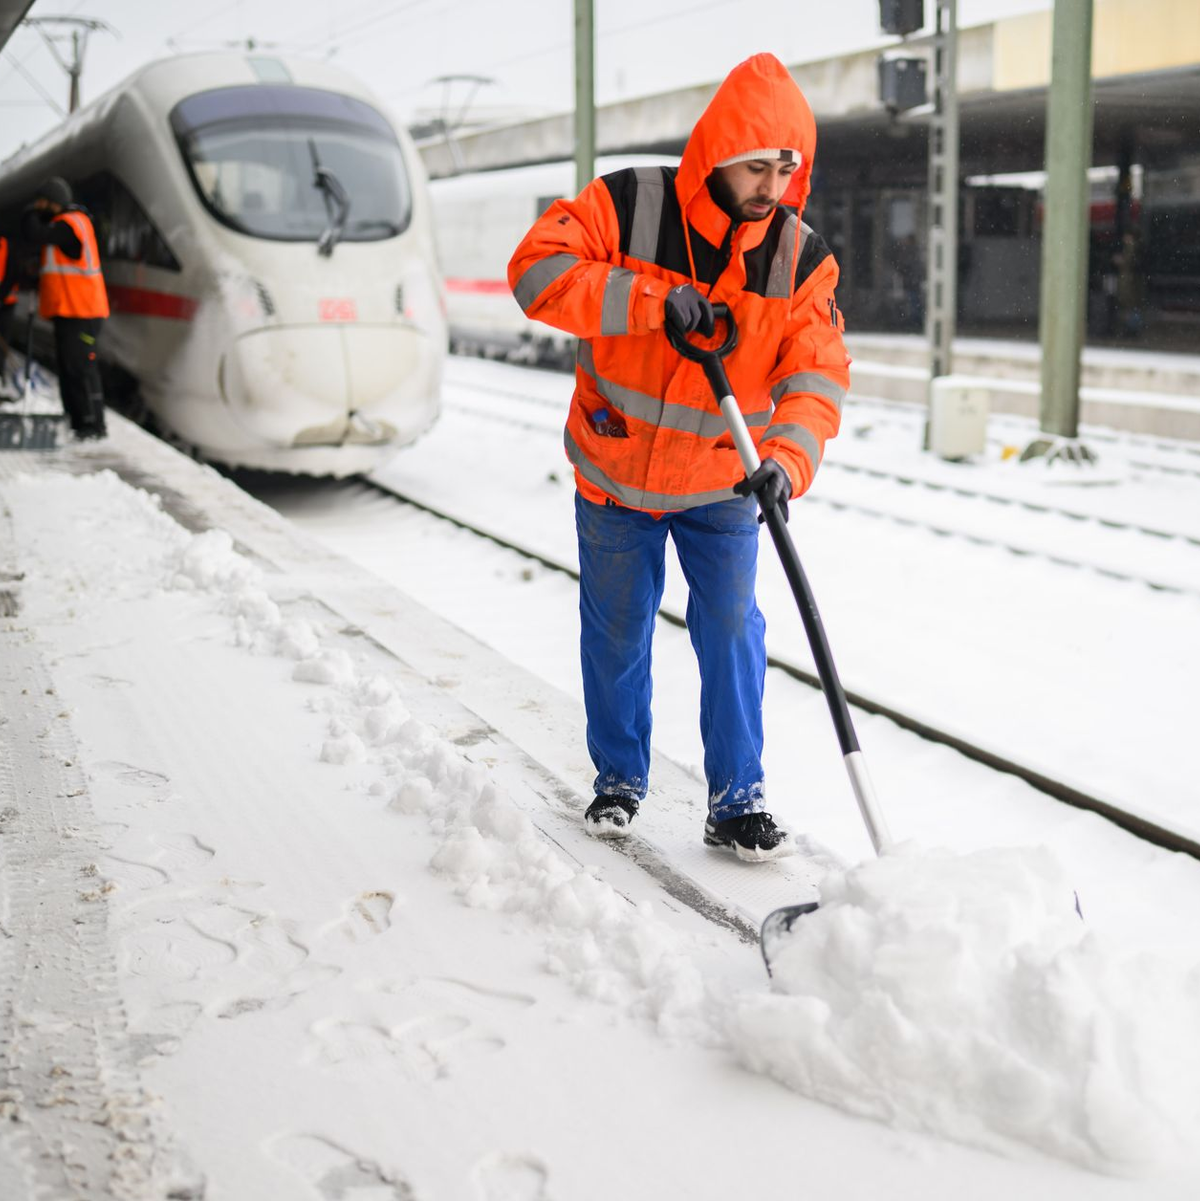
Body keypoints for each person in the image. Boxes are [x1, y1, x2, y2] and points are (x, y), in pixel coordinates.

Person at [507, 53, 849, 862]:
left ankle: (738, 798)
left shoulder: (800, 259)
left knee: (731, 629)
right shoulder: (629, 205)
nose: (771, 185)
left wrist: (785, 465)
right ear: (717, 154)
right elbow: (536, 271)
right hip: (617, 473)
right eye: (755, 165)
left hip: (727, 481)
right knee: (618, 629)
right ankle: (619, 779)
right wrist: (651, 300)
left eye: (784, 167)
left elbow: (816, 376)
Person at [20, 176, 110, 438]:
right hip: (69, 311)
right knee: (69, 368)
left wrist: (29, 213)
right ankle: (77, 421)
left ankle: (93, 427)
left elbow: (35, 233)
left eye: (41, 203)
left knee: (81, 369)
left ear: (53, 203)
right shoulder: (63, 226)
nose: (38, 207)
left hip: (83, 312)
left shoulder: (71, 225)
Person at [0, 232, 19, 393]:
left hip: (6, 303)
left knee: (2, 340)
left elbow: (12, 273)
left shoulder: (8, 246)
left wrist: (1, 296)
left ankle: (1, 376)